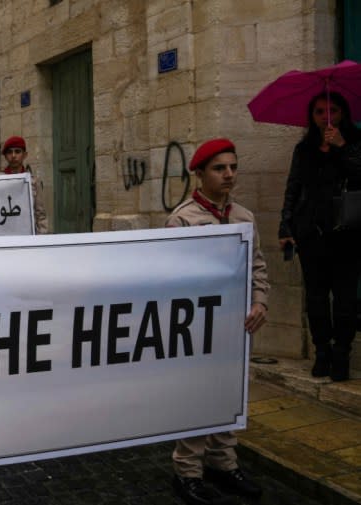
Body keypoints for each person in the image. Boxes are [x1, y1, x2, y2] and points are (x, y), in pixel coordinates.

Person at [166, 138, 268, 505]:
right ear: (199, 173)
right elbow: (173, 278)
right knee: (197, 397)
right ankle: (187, 472)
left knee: (231, 395)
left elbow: (257, 266)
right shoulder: (182, 219)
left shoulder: (244, 217)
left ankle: (224, 464)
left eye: (233, 167)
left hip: (237, 326)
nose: (229, 175)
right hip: (197, 327)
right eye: (219, 168)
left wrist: (260, 302)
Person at [279, 91, 361, 382]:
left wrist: (341, 147)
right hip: (311, 234)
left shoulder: (355, 143)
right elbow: (293, 188)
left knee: (345, 299)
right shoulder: (304, 149)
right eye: (319, 112)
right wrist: (285, 227)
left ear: (344, 114)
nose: (327, 117)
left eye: (334, 110)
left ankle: (342, 353)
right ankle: (322, 351)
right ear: (311, 117)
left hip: (348, 235)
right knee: (315, 297)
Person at [0, 136, 49, 234]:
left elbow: (40, 215)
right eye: (9, 152)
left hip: (27, 238)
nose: (13, 156)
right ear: (5, 156)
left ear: (25, 155)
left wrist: (41, 241)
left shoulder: (33, 182)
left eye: (17, 151)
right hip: (4, 236)